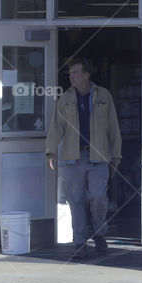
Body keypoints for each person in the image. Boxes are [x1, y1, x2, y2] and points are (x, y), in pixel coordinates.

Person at [46, 58, 122, 259]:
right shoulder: (66, 98)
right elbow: (56, 127)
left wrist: (116, 155)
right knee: (76, 201)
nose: (71, 77)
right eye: (70, 74)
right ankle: (79, 242)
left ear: (87, 75)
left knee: (98, 197)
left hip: (99, 157)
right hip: (74, 158)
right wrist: (51, 151)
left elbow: (113, 127)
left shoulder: (103, 96)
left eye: (75, 73)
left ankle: (99, 234)